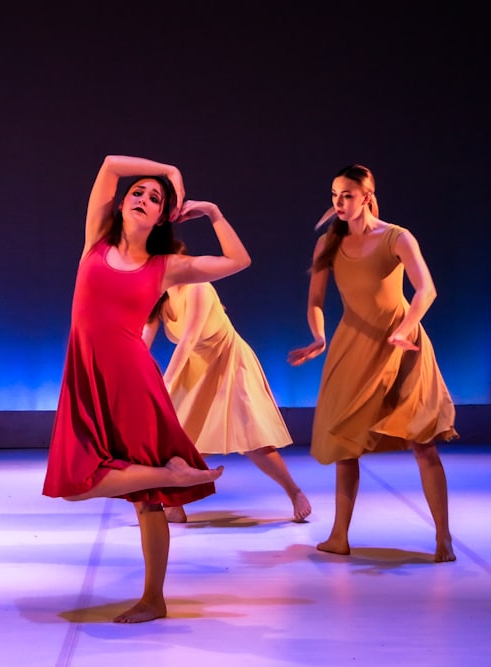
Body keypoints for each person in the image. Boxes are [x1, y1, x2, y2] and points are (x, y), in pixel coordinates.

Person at [43, 154, 251, 623]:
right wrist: (172, 172)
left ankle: (154, 598)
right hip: (86, 375)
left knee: (146, 504)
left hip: (133, 381)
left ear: (162, 216)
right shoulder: (95, 240)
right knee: (74, 485)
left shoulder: (166, 267)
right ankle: (170, 475)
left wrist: (214, 213)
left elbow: (239, 260)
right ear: (121, 206)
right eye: (137, 192)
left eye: (154, 198)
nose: (142, 197)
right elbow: (111, 164)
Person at [288, 164, 457, 562]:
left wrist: (406, 328)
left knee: (423, 441)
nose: (338, 203)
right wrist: (318, 336)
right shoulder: (329, 243)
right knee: (347, 445)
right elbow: (315, 300)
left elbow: (426, 289)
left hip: (403, 346)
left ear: (367, 195)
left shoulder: (396, 237)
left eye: (346, 195)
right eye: (334, 195)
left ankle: (443, 537)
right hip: (353, 347)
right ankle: (338, 536)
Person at [142, 247, 311, 523]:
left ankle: (295, 492)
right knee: (181, 440)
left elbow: (188, 339)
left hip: (229, 360)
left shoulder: (198, 287)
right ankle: (175, 502)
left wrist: (166, 383)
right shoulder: (157, 300)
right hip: (197, 367)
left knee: (253, 441)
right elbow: (141, 341)